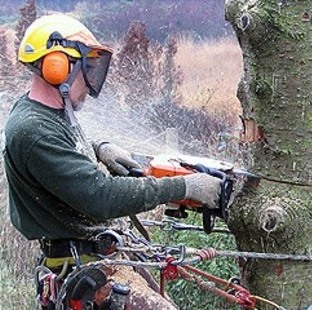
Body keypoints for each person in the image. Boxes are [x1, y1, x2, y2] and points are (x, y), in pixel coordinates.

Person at [2, 14, 221, 309]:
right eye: (87, 68)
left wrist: (99, 148)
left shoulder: (44, 114)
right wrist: (183, 187)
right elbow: (101, 197)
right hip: (80, 269)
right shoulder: (33, 130)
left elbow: (60, 148)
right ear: (58, 67)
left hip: (94, 254)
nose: (91, 80)